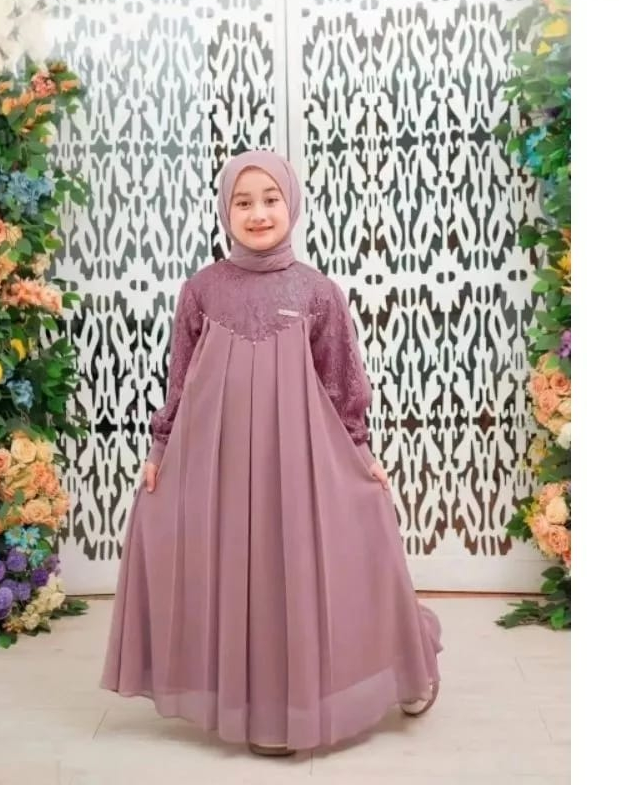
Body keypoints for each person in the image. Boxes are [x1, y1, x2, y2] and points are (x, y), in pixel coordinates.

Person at [100, 149, 442, 756]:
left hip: (299, 459)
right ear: (225, 210)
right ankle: (262, 710)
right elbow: (181, 378)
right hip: (219, 458)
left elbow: (341, 382)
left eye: (270, 199)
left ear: (292, 204)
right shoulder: (202, 290)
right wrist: (160, 446)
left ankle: (405, 664)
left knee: (322, 558)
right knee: (241, 573)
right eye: (243, 201)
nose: (258, 213)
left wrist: (360, 452)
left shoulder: (317, 292)